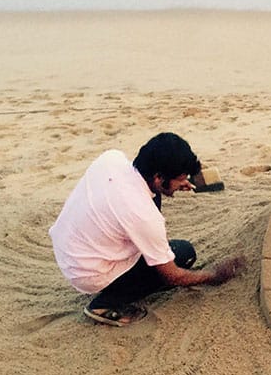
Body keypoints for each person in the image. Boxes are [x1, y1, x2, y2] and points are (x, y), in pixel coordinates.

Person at [49, 133, 245, 326]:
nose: (182, 183)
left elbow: (139, 195)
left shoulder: (112, 158)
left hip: (69, 248)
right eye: (179, 179)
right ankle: (104, 305)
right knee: (183, 254)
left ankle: (120, 277)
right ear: (159, 177)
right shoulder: (142, 214)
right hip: (88, 273)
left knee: (156, 230)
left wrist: (175, 182)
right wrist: (216, 275)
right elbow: (173, 275)